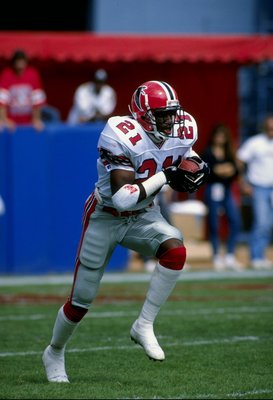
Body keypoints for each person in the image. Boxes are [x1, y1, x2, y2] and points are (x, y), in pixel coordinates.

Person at [42, 80, 209, 383]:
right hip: (106, 215)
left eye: (172, 113)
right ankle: (55, 350)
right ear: (144, 115)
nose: (171, 120)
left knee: (176, 250)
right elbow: (123, 196)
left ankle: (144, 324)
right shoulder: (120, 133)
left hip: (144, 214)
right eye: (163, 115)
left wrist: (198, 165)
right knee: (81, 301)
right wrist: (167, 176)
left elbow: (186, 152)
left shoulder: (182, 127)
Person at [236, 115, 273, 269]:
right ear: (265, 127)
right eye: (270, 126)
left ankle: (262, 254)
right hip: (259, 187)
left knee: (269, 224)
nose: (272, 130)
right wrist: (243, 182)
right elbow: (239, 160)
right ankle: (255, 256)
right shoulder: (255, 143)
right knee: (260, 222)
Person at [201, 124, 243, 271]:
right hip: (212, 189)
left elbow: (235, 170)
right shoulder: (207, 153)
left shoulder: (230, 152)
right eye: (218, 135)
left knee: (235, 220)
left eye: (223, 135)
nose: (220, 138)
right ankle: (216, 255)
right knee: (214, 223)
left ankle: (230, 255)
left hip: (226, 189)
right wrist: (223, 170)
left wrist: (225, 170)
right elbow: (209, 171)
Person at [0, 49, 46, 132]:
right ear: (13, 62)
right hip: (11, 121)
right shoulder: (7, 74)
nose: (20, 63)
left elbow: (37, 100)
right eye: (18, 60)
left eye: (22, 60)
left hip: (28, 121)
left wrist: (36, 119)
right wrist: (4, 119)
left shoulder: (32, 74)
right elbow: (2, 101)